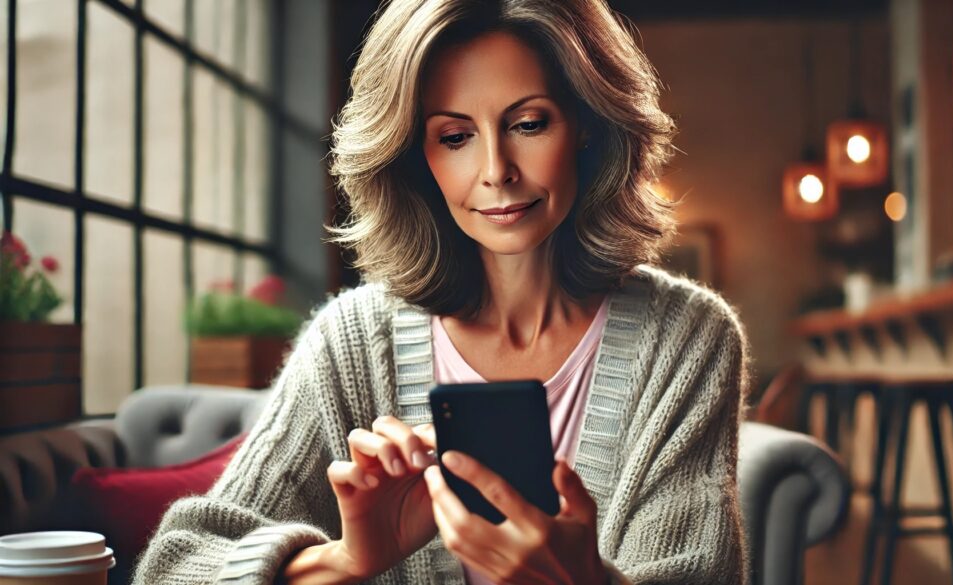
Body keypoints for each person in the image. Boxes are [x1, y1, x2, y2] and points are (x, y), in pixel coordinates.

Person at [133, 1, 752, 584]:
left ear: (588, 126)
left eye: (529, 123)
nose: (496, 170)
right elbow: (175, 567)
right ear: (415, 157)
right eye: (455, 137)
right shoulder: (350, 342)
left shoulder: (687, 337)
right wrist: (344, 561)